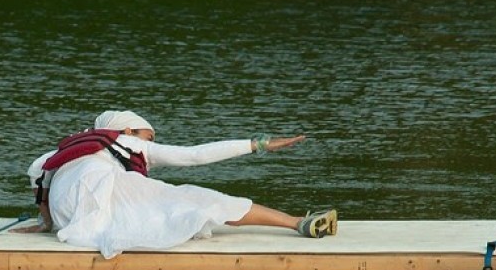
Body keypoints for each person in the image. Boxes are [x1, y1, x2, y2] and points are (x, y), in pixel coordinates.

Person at [17, 110, 338, 259]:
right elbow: (194, 156)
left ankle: (298, 222)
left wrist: (47, 222)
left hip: (65, 212)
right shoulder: (129, 143)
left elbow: (38, 175)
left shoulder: (63, 149)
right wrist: (257, 144)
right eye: (150, 137)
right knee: (197, 198)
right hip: (101, 189)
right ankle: (298, 223)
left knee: (163, 203)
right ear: (128, 131)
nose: (153, 143)